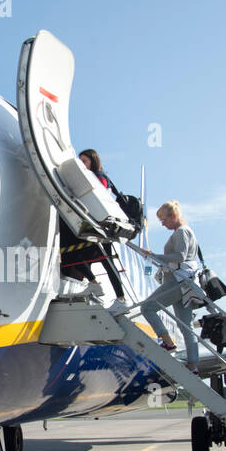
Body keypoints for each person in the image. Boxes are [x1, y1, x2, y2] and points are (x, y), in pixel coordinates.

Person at [140, 200, 201, 373]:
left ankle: (167, 341)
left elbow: (179, 256)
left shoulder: (180, 232)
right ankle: (193, 364)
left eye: (164, 220)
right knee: (186, 325)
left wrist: (155, 256)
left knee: (147, 307)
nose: (162, 223)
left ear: (174, 216)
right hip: (187, 284)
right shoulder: (188, 232)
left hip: (177, 281)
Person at [77, 149, 128, 311]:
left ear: (93, 161)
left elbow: (101, 199)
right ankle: (93, 285)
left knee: (107, 262)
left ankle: (121, 299)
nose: (82, 164)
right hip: (95, 227)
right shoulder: (91, 178)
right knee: (79, 254)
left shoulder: (100, 178)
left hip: (102, 228)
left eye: (84, 161)